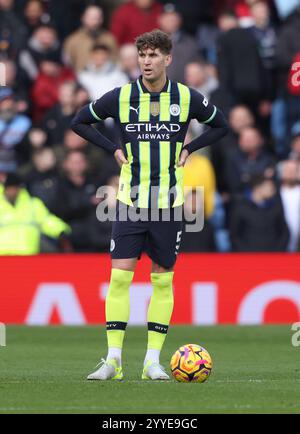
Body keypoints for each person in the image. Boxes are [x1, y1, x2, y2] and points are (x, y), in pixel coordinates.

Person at [71, 29, 228, 381]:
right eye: (142, 54)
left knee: (161, 282)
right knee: (120, 279)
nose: (146, 60)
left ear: (168, 59)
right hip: (130, 202)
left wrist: (190, 148)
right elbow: (79, 121)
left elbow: (221, 125)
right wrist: (112, 147)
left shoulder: (186, 98)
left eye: (154, 54)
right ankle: (113, 361)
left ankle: (152, 362)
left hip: (169, 206)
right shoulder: (122, 96)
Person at [0, 172, 71, 255]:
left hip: (28, 254)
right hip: (3, 255)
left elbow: (46, 220)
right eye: (10, 188)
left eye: (15, 188)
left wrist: (61, 230)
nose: (13, 191)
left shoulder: (33, 204)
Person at [230, 175, 289, 252]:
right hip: (248, 258)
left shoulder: (276, 207)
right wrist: (245, 254)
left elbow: (284, 233)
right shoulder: (241, 208)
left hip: (273, 257)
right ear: (258, 188)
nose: (273, 190)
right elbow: (235, 236)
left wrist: (278, 251)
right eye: (269, 187)